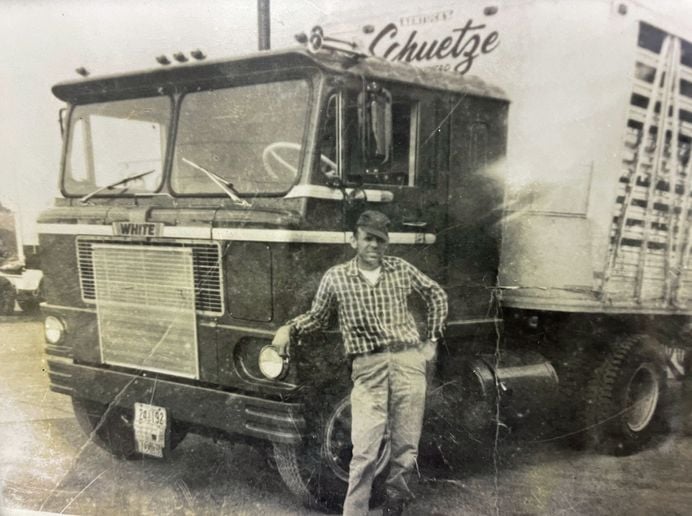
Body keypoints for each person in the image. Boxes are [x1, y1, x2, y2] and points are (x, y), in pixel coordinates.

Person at [272, 210, 448, 516]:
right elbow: (317, 317)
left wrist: (430, 341)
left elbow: (437, 294)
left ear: (387, 243)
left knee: (406, 447)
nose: (375, 245)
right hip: (369, 368)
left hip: (408, 363)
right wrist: (289, 328)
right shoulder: (337, 277)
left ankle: (395, 507)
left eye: (381, 240)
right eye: (368, 238)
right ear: (355, 240)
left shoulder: (401, 269)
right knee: (365, 450)